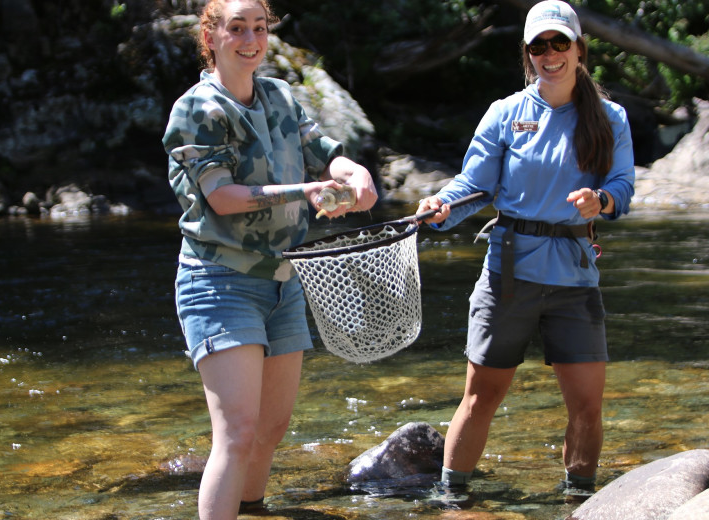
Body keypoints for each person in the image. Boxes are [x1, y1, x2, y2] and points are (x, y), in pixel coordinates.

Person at [161, 1, 378, 518]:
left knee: (270, 430)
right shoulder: (195, 110)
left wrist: (352, 173)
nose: (250, 40)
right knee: (236, 433)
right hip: (219, 282)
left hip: (284, 281)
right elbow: (223, 197)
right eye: (236, 29)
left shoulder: (279, 95)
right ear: (210, 37)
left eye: (259, 28)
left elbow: (321, 148)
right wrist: (304, 190)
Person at [416, 0, 635, 501]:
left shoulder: (610, 117)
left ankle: (578, 500)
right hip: (507, 274)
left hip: (575, 278)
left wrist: (599, 200)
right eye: (539, 45)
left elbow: (622, 186)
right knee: (481, 396)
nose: (550, 54)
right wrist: (442, 204)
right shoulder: (505, 114)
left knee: (587, 406)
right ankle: (452, 500)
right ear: (527, 54)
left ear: (579, 49)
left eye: (561, 43)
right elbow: (473, 186)